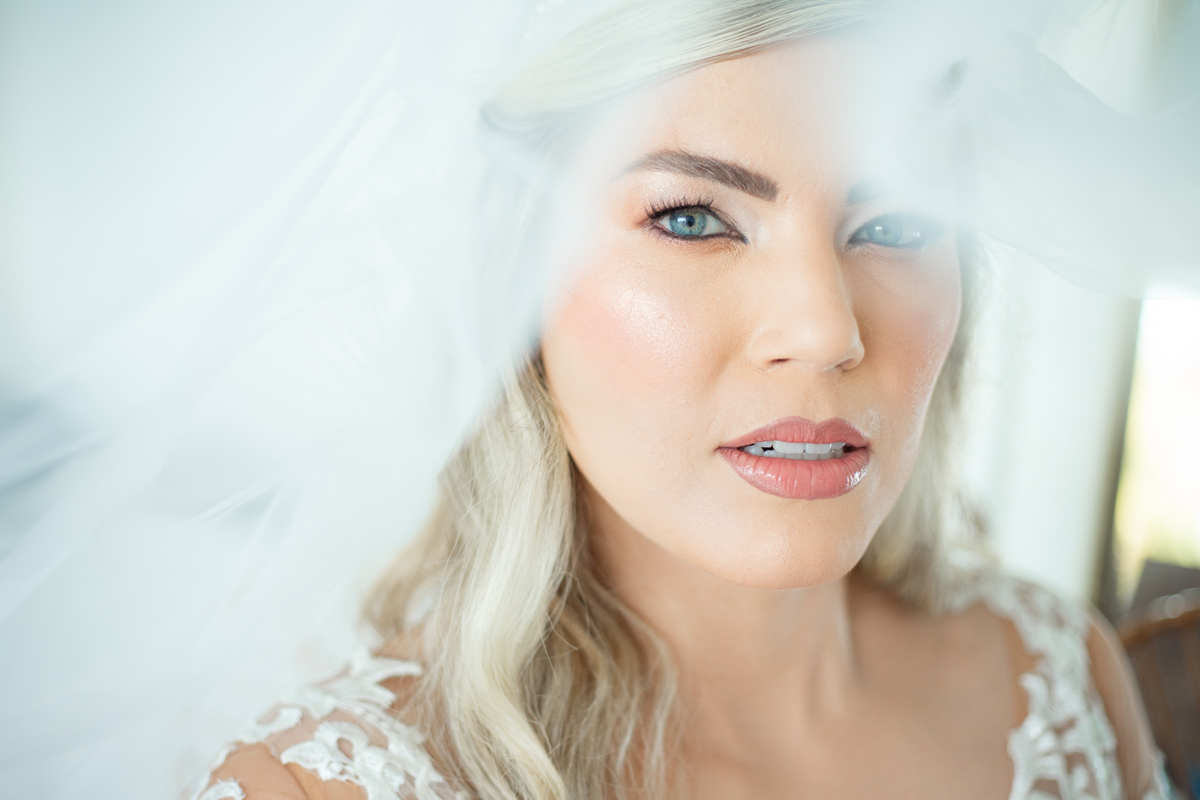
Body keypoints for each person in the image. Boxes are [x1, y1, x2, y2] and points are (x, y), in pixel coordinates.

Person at [189, 2, 1175, 799]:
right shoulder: (311, 788)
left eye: (896, 221)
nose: (825, 329)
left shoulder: (1061, 680)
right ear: (510, 283)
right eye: (693, 217)